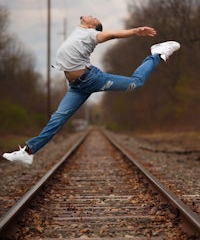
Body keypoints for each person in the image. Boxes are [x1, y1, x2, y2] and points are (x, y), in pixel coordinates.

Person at [2, 15, 180, 165]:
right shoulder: (79, 30)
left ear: (92, 26)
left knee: (135, 83)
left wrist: (135, 31)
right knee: (57, 118)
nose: (89, 15)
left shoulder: (91, 34)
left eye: (94, 17)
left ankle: (157, 53)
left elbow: (111, 35)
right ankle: (28, 152)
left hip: (92, 79)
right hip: (77, 86)